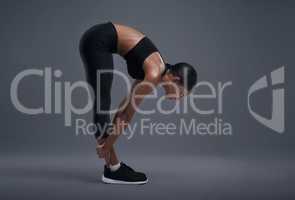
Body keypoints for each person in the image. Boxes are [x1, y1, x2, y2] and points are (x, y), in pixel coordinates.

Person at [79, 22, 197, 184]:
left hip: (98, 39)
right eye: (181, 93)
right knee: (102, 102)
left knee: (104, 103)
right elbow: (126, 115)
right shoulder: (154, 73)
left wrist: (109, 142)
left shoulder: (155, 70)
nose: (179, 99)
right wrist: (108, 144)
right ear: (176, 79)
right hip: (97, 41)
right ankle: (113, 169)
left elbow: (124, 106)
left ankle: (113, 167)